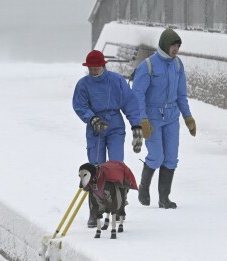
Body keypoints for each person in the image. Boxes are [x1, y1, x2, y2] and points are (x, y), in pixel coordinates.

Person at [73, 50, 142, 228]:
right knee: (95, 168)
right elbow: (79, 105)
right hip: (95, 127)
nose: (94, 71)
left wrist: (136, 126)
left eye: (96, 67)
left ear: (103, 65)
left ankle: (118, 207)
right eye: (91, 68)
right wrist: (92, 118)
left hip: (115, 125)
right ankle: (94, 210)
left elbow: (130, 102)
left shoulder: (117, 81)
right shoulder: (83, 85)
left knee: (116, 166)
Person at [132, 28, 196, 209]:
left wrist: (188, 117)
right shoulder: (148, 65)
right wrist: (142, 119)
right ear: (164, 45)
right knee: (156, 156)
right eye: (172, 45)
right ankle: (143, 188)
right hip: (152, 118)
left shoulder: (177, 65)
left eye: (177, 46)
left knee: (171, 158)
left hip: (171, 117)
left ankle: (164, 198)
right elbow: (138, 95)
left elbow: (181, 94)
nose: (175, 49)